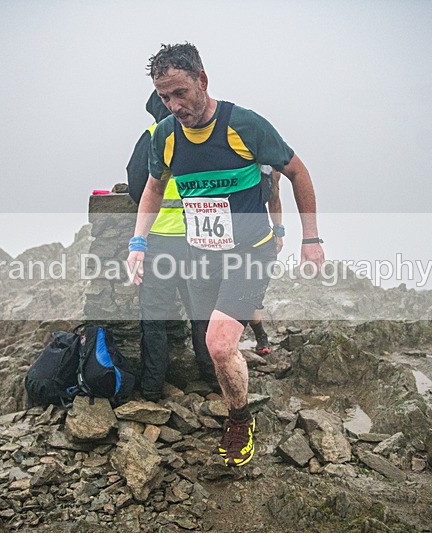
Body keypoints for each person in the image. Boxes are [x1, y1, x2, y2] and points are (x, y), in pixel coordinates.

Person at [127, 43, 325, 467]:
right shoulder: (165, 136)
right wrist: (138, 243)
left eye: (180, 93)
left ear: (203, 80)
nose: (174, 105)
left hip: (249, 253)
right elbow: (154, 188)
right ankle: (236, 382)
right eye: (164, 97)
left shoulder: (244, 126)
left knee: (218, 344)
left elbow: (296, 171)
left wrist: (311, 238)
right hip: (200, 256)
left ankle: (239, 421)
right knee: (214, 343)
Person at [127, 90, 218, 401]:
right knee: (202, 312)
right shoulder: (200, 133)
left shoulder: (153, 135)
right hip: (199, 240)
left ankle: (152, 388)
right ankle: (213, 378)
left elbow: (137, 184)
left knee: (154, 318)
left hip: (160, 240)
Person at [249, 166, 283, 355]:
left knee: (252, 294)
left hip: (260, 240)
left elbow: (274, 199)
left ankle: (260, 336)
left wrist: (279, 232)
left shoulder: (272, 169)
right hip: (228, 240)